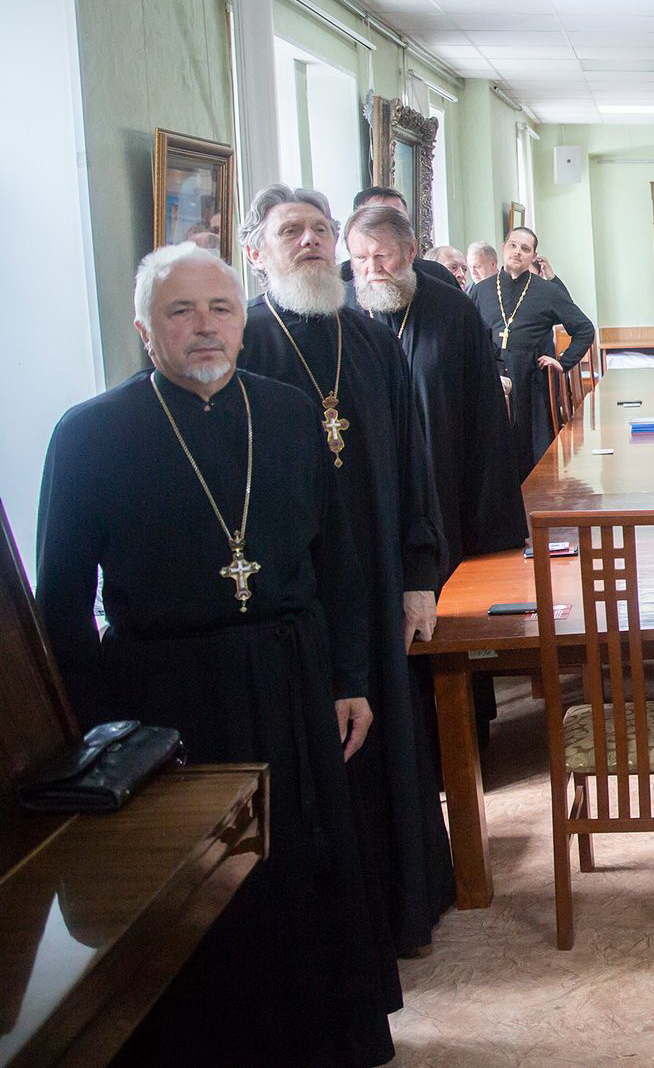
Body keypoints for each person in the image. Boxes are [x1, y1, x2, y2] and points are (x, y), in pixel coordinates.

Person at [37, 245, 401, 1066]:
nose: (204, 327)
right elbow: (60, 602)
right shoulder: (89, 434)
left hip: (289, 672)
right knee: (195, 890)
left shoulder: (286, 412)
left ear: (242, 322)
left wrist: (349, 678)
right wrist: (98, 729)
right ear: (145, 330)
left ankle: (320, 1041)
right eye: (181, 312)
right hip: (166, 696)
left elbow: (336, 559)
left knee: (302, 864)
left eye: (220, 309)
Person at [236, 184, 454, 958]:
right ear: (256, 252)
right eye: (290, 231)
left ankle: (404, 905)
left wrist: (420, 572)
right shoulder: (243, 343)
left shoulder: (368, 337)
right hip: (293, 590)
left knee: (388, 733)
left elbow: (416, 459)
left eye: (321, 230)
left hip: (379, 571)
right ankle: (339, 926)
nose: (310, 242)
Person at [348, 204, 527, 574]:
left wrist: (490, 525)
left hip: (439, 481)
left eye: (382, 256)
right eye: (360, 258)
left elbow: (484, 417)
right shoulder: (343, 313)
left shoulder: (454, 310)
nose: (371, 269)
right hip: (368, 487)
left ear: (410, 251)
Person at [468, 225, 597, 477]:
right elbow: (469, 334)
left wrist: (563, 362)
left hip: (531, 382)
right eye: (513, 245)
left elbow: (584, 328)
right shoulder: (480, 290)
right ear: (504, 248)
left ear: (533, 256)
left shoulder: (547, 291)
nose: (517, 252)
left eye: (525, 249)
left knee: (533, 457)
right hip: (491, 380)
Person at [343, 186, 457, 288]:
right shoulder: (341, 280)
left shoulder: (437, 274)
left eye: (397, 219)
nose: (373, 267)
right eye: (377, 217)